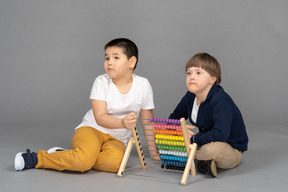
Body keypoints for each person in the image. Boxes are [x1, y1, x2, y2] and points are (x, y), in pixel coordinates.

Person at [15, 38, 159, 173]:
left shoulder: (143, 85)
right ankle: (37, 159)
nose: (109, 62)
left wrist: (153, 152)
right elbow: (100, 117)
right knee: (82, 162)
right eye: (107, 57)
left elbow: (147, 120)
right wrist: (122, 122)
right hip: (92, 129)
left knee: (115, 164)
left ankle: (69, 156)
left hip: (117, 139)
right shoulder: (101, 82)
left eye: (116, 57)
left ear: (131, 62)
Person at [169, 52, 248, 178]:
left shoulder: (220, 100)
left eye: (198, 73)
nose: (192, 77)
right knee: (167, 137)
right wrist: (179, 130)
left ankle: (194, 158)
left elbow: (221, 134)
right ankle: (201, 161)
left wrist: (193, 139)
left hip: (228, 147)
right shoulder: (190, 96)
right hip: (204, 141)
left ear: (212, 79)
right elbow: (174, 117)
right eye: (189, 73)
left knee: (212, 150)